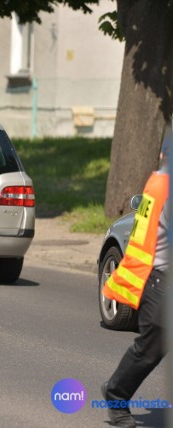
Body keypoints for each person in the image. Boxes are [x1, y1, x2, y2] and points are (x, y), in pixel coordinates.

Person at [100, 134, 170, 427]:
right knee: (154, 344)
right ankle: (116, 393)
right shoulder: (159, 186)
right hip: (161, 276)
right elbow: (141, 231)